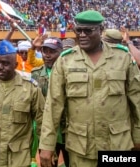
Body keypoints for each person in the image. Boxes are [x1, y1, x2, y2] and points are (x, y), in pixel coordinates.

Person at [39, 10, 140, 167]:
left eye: (88, 30)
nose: (82, 35)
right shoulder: (65, 61)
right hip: (81, 148)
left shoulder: (123, 58)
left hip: (117, 144)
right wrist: (46, 145)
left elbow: (137, 100)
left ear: (101, 30)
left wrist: (138, 137)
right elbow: (53, 105)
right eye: (78, 31)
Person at [31, 37, 69, 167]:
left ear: (61, 52)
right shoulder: (35, 74)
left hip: (68, 131)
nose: (47, 55)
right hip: (45, 132)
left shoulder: (70, 72)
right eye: (44, 51)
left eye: (51, 52)